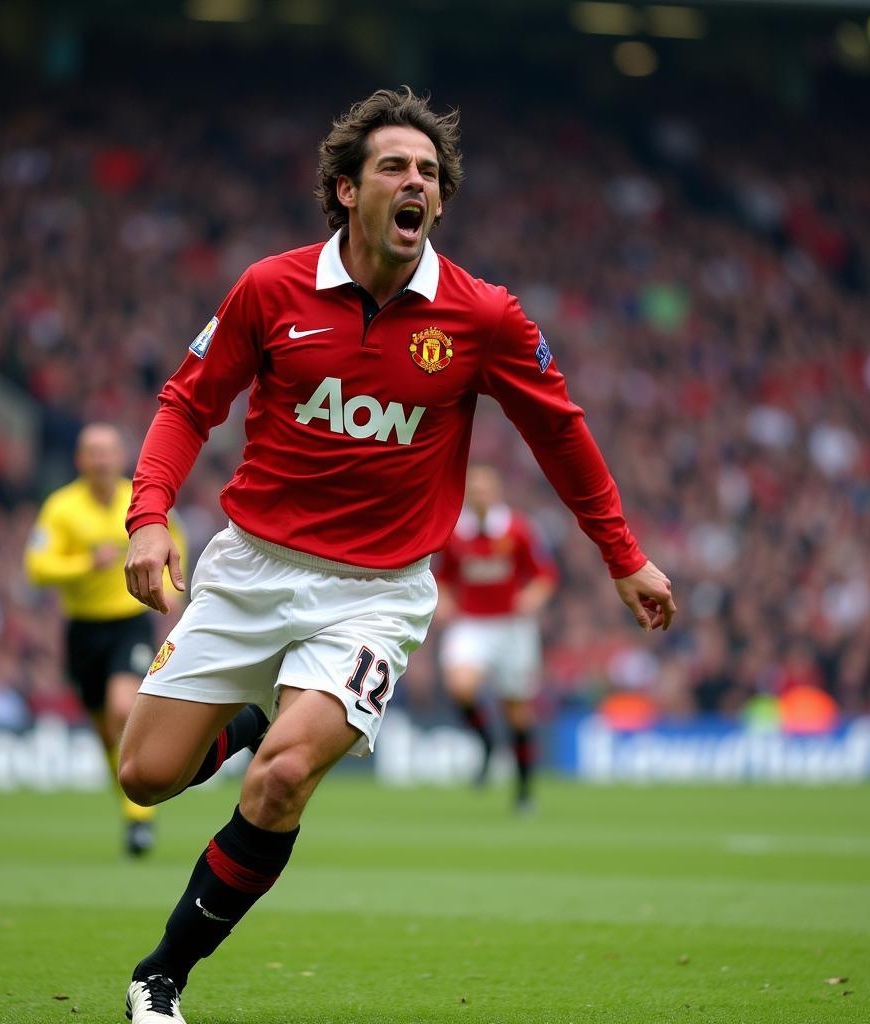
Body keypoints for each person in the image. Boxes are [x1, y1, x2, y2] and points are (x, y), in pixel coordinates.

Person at [118, 87, 676, 1023]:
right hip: (250, 567)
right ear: (346, 190)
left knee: (286, 779)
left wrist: (622, 554)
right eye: (393, 168)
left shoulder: (482, 316)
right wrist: (146, 515)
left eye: (428, 172)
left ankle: (162, 975)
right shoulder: (269, 288)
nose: (415, 182)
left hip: (375, 594)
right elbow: (187, 404)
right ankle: (248, 722)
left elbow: (562, 433)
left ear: (440, 201)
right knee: (144, 778)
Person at [24, 423, 194, 856]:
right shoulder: (61, 508)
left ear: (122, 458)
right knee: (104, 732)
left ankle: (142, 817)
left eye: (108, 452)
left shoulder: (139, 500)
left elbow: (175, 542)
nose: (101, 460)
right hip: (83, 630)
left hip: (129, 623)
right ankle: (131, 809)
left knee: (124, 708)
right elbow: (38, 567)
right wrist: (86, 563)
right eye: (92, 453)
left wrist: (173, 592)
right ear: (80, 460)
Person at [436, 463, 558, 812]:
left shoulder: (518, 530)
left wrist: (533, 595)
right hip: (471, 624)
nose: (479, 495)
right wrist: (444, 600)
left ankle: (523, 790)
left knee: (516, 711)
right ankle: (487, 743)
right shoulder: (455, 533)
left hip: (512, 628)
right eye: (473, 489)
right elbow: (443, 577)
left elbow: (544, 574)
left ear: (497, 492)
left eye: (485, 489)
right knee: (461, 686)